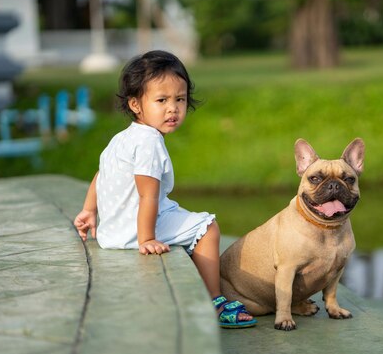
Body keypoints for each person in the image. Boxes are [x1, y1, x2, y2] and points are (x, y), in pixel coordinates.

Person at [73, 50, 256, 329]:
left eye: (179, 99)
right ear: (135, 104)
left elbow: (101, 175)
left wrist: (89, 210)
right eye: (162, 100)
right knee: (208, 228)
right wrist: (147, 238)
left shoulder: (122, 138)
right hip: (136, 229)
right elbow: (148, 195)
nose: (173, 108)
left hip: (112, 231)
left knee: (177, 210)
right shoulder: (149, 142)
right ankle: (214, 300)